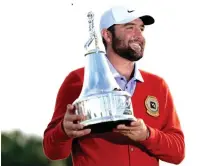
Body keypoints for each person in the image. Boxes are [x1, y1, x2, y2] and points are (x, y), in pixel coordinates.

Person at [43, 6, 185, 166]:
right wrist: (63, 131)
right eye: (130, 27)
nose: (139, 35)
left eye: (141, 28)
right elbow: (52, 151)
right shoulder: (78, 80)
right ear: (107, 35)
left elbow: (178, 153)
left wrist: (147, 135)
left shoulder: (158, 86)